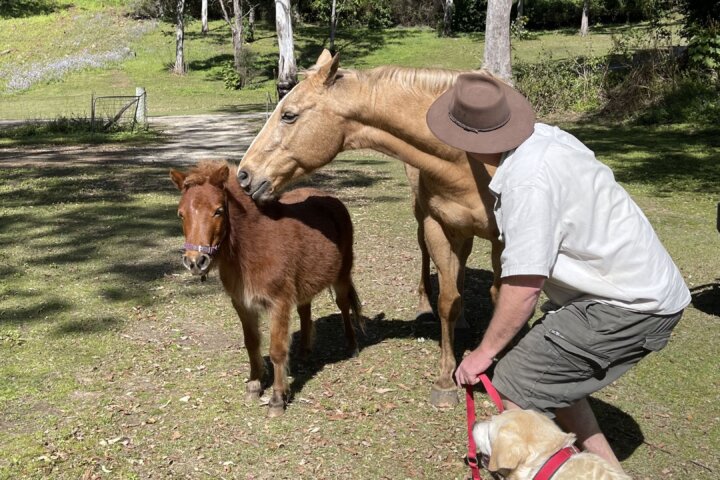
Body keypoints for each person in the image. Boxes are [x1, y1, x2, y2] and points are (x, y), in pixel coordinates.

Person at [425, 73, 691, 472]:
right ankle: (609, 472)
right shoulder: (545, 138)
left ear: (465, 141)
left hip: (631, 305)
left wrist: (482, 353)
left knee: (516, 383)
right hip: (638, 290)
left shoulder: (527, 183)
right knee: (550, 371)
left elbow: (525, 285)